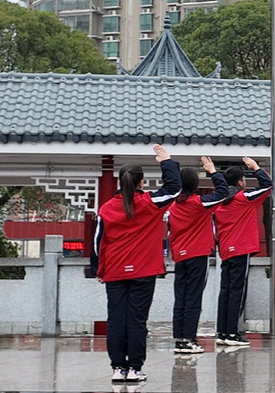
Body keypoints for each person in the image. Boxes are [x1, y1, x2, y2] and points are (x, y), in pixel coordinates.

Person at [90, 144, 182, 382]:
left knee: (116, 319)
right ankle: (135, 369)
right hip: (143, 271)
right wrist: (166, 160)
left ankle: (118, 368)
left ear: (120, 182)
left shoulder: (106, 209)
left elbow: (97, 243)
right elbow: (174, 188)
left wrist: (98, 270)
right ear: (141, 182)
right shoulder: (150, 203)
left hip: (115, 272)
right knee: (137, 320)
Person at [167, 155, 230, 353]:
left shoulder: (173, 205)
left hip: (180, 256)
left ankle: (179, 338)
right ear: (195, 184)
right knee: (193, 297)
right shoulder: (199, 203)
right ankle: (189, 339)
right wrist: (212, 171)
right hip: (198, 254)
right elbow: (223, 192)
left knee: (181, 298)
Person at [214, 156, 272, 346]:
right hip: (241, 248)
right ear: (240, 182)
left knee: (225, 291)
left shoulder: (219, 201)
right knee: (237, 292)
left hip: (226, 250)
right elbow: (267, 185)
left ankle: (222, 332)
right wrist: (255, 167)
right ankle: (232, 333)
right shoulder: (243, 198)